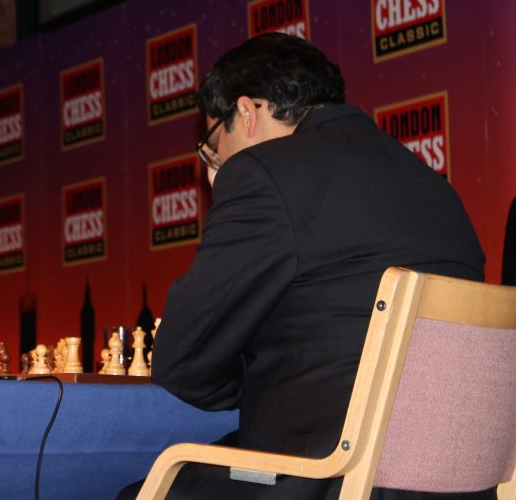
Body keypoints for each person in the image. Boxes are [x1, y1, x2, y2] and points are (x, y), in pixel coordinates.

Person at [146, 33, 488, 499]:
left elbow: (182, 360)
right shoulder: (434, 185)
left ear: (246, 113)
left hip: (333, 476)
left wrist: (252, 379)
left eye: (212, 143)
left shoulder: (262, 173)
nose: (215, 163)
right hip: (460, 480)